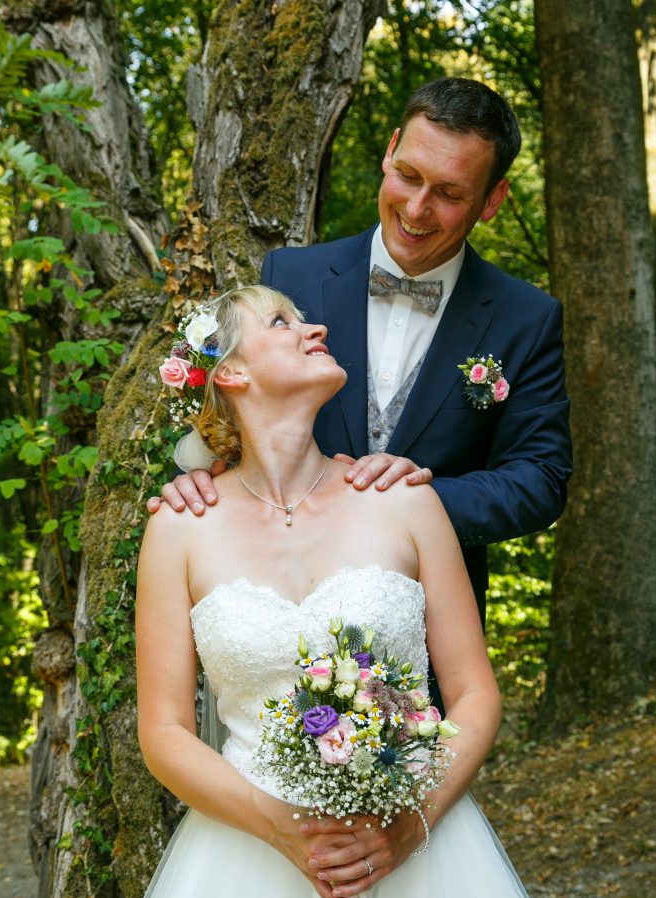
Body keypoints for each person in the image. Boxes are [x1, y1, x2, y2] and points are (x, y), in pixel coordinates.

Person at [91, 285, 589, 898]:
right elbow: (163, 733)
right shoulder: (180, 528)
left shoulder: (404, 502)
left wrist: (405, 826)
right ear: (228, 373)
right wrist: (281, 827)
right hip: (247, 861)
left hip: (422, 857)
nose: (314, 326)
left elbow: (475, 694)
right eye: (282, 321)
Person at [148, 77, 572, 636]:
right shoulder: (291, 277)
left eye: (449, 193)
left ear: (492, 200)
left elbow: (540, 479)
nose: (417, 209)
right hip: (275, 610)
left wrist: (414, 501)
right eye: (409, 176)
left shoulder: (525, 317)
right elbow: (240, 413)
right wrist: (199, 475)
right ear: (390, 149)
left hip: (428, 628)